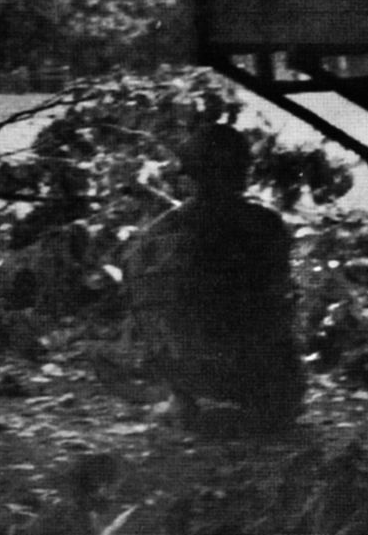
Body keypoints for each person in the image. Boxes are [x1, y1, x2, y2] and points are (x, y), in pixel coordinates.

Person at [122, 123, 306, 432]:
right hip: (254, 374)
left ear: (190, 174)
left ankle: (185, 402)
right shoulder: (264, 224)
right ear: (242, 170)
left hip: (182, 373)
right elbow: (278, 301)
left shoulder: (155, 233)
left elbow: (143, 310)